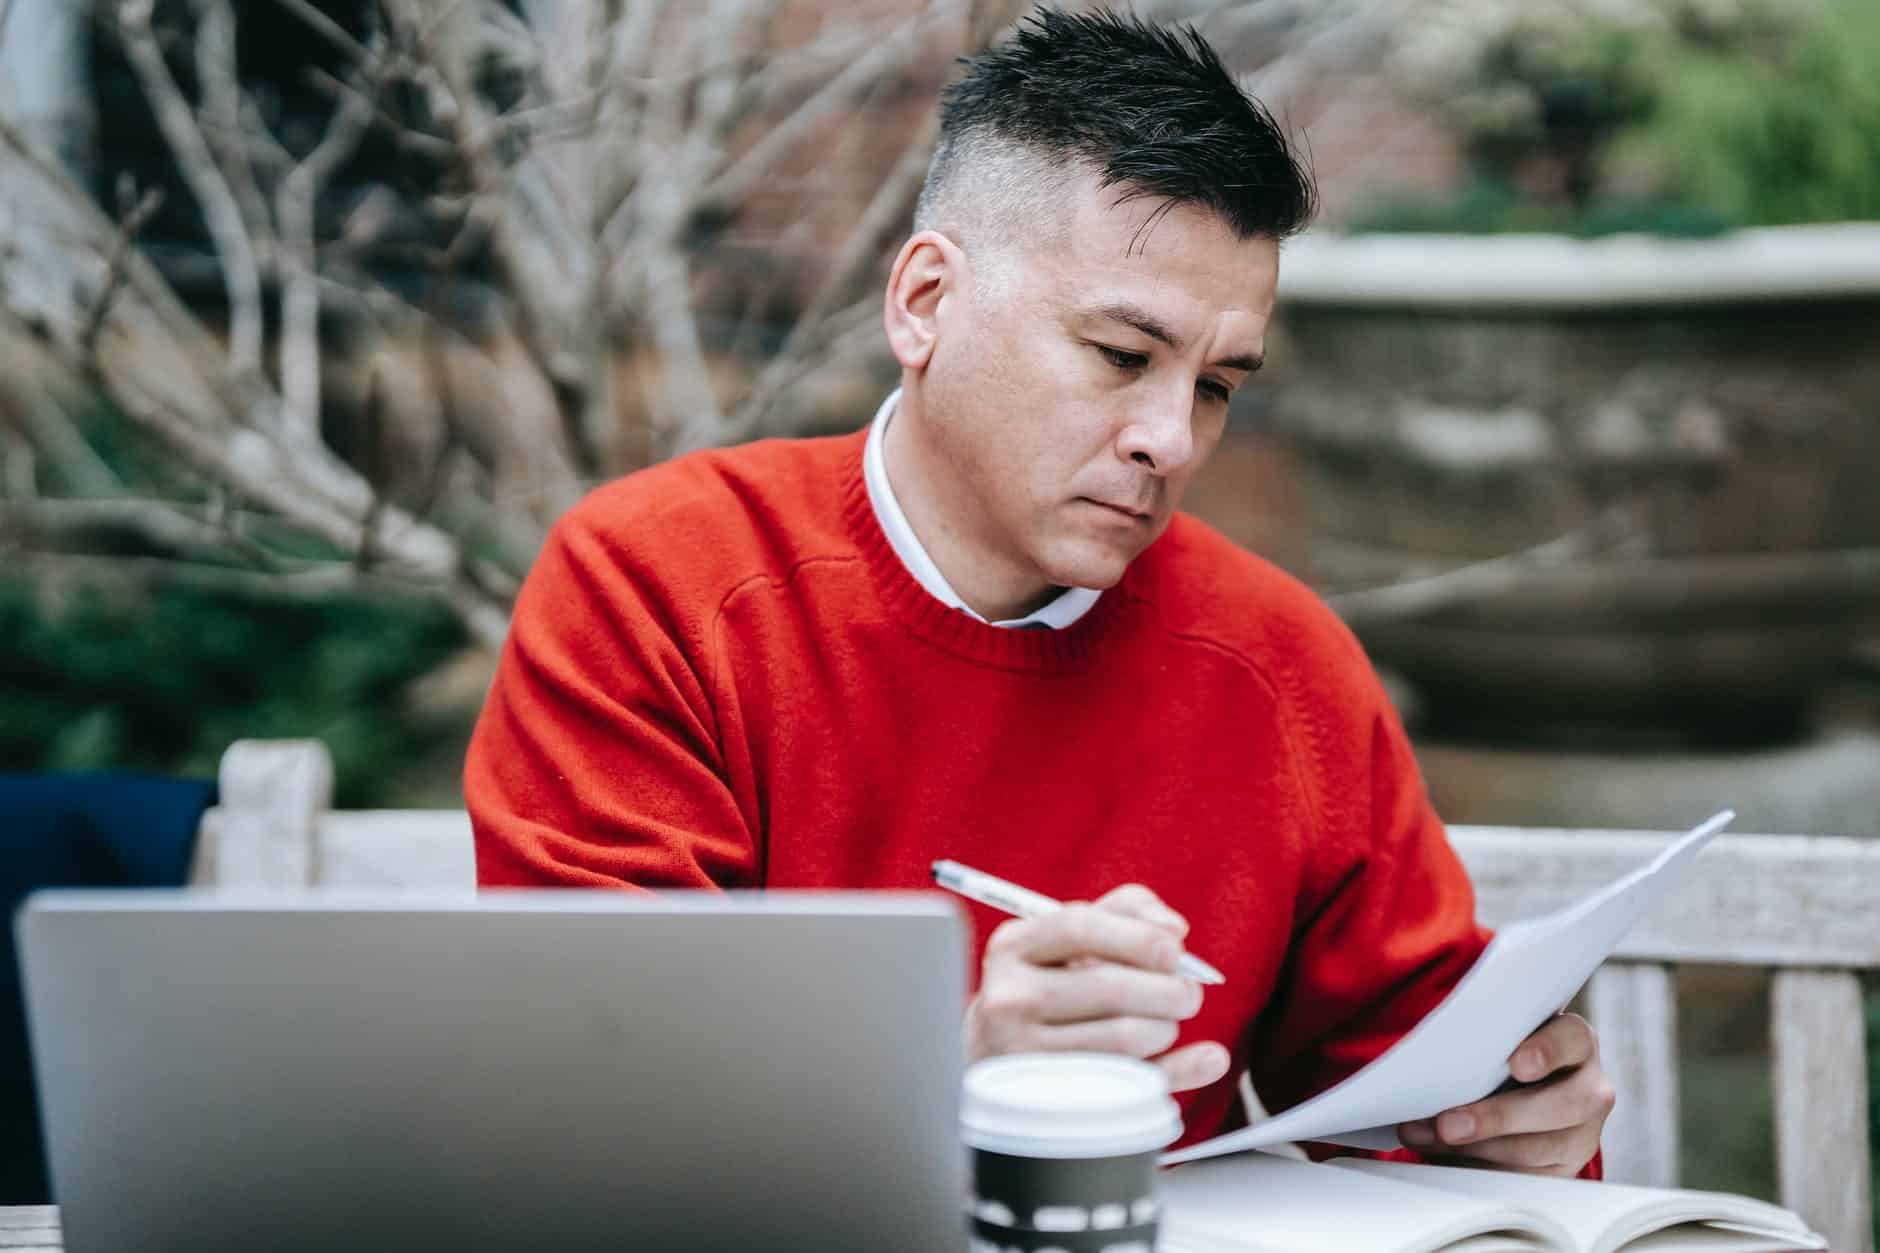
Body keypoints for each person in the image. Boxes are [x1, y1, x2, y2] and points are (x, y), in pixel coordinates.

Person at [466, 7, 1612, 1174]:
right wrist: (942, 1076)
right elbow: (594, 1101)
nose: (1169, 438)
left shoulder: (1279, 664)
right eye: (1121, 356)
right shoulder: (656, 585)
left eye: (1216, 384)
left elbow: (1411, 1104)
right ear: (923, 303)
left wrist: (1509, 1132)